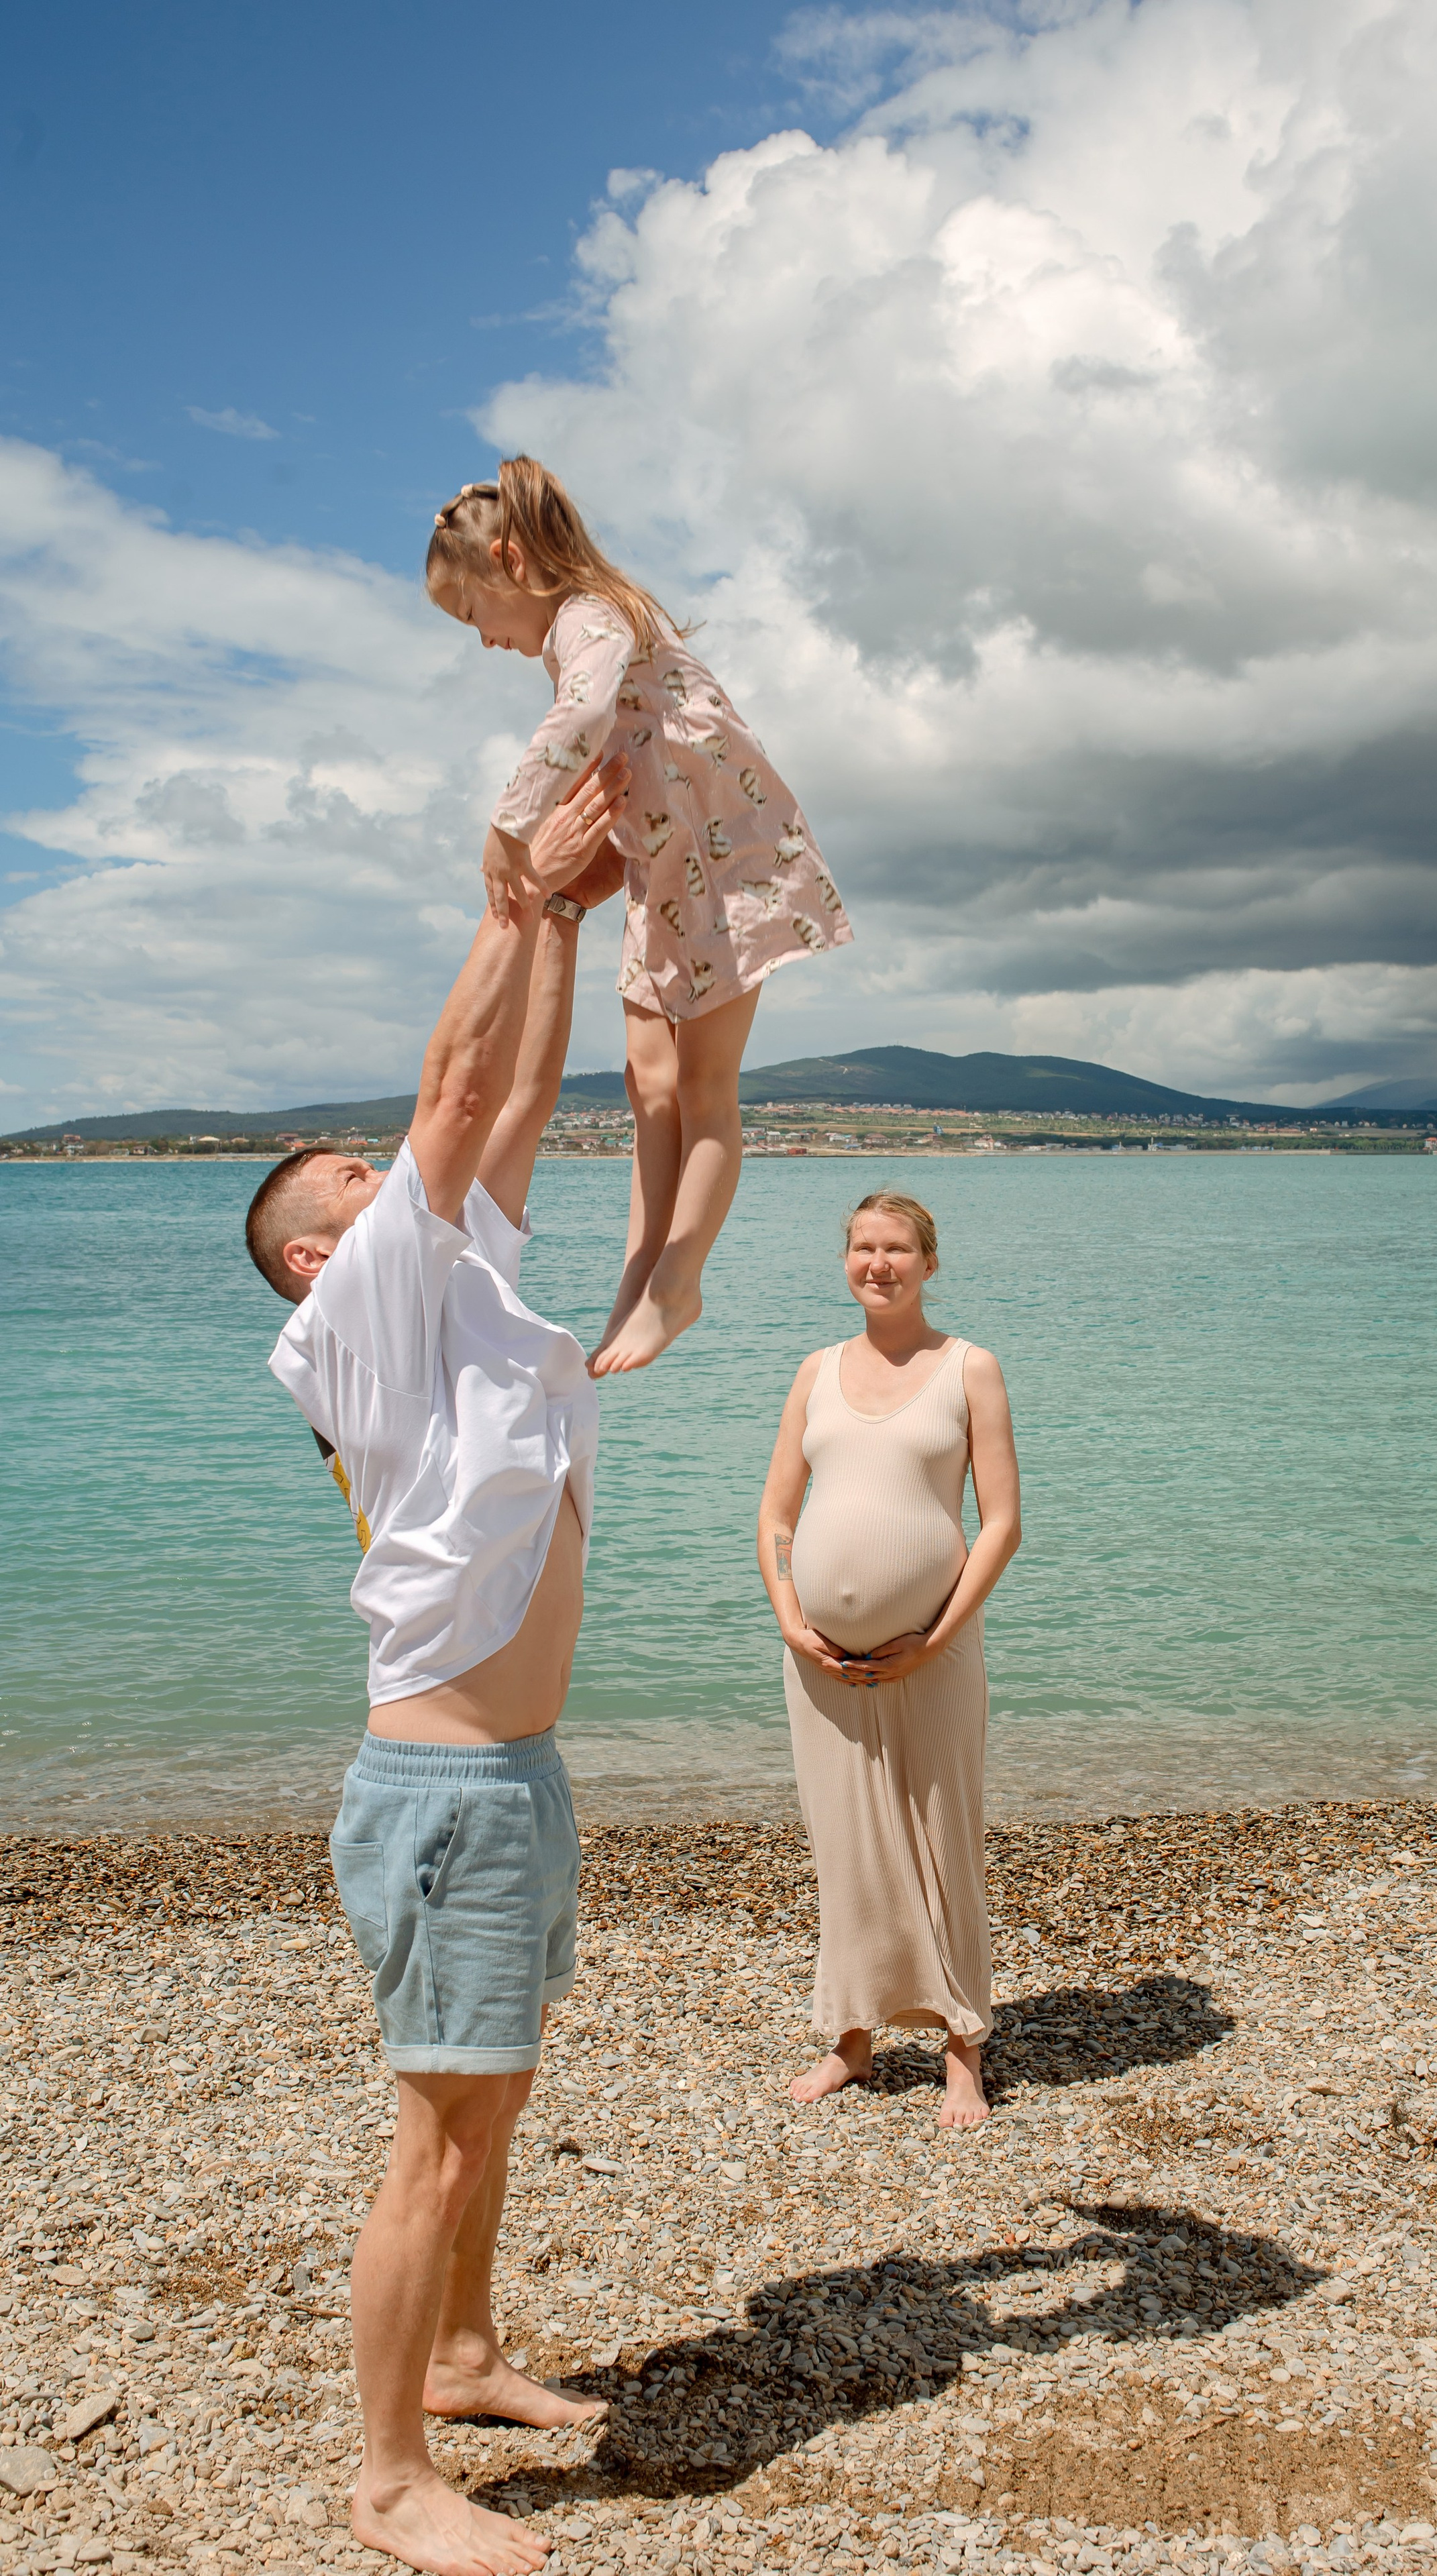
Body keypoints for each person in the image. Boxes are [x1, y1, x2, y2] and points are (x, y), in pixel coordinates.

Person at [246, 757, 627, 2576]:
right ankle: (388, 2476)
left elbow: (519, 1096)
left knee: (499, 2100)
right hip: (446, 1791)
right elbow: (456, 1087)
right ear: (319, 1251)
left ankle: (464, 2358)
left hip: (514, 1776)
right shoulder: (355, 1315)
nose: (386, 1165)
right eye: (354, 1174)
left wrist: (564, 930)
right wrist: (512, 896)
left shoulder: (454, 1288)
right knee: (443, 2136)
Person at [425, 453, 852, 1379]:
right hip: (663, 874)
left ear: (509, 563)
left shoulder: (594, 617)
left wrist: (510, 825)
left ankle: (678, 1284)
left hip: (730, 865)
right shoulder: (583, 629)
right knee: (646, 1086)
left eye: (472, 614)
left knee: (704, 1087)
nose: (484, 641)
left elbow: (583, 714)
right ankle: (641, 1274)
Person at [757, 1190, 1022, 2129]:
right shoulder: (817, 1372)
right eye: (863, 1248)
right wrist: (791, 1617)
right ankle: (853, 2038)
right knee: (848, 1849)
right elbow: (777, 1514)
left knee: (946, 1842)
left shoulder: (969, 1369)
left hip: (933, 1657)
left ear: (929, 1262)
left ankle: (962, 2048)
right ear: (847, 1261)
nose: (879, 1264)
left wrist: (932, 1639)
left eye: (898, 1248)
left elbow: (1002, 1525)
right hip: (821, 1665)